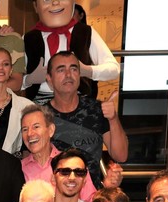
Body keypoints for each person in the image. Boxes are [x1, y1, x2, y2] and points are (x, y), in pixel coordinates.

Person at [44, 51, 128, 189]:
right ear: (49, 79)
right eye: (61, 70)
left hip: (93, 196)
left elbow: (121, 155)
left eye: (73, 69)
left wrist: (113, 118)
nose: (68, 74)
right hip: (54, 195)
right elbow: (31, 162)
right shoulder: (41, 116)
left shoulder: (96, 109)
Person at [21, 0, 118, 98]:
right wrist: (29, 79)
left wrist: (88, 71)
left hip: (78, 99)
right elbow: (14, 81)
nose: (55, 2)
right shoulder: (28, 38)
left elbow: (114, 69)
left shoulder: (85, 32)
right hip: (40, 100)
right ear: (35, 6)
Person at [19, 103, 97, 202]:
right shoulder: (19, 168)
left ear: (51, 130)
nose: (30, 134)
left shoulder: (72, 164)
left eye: (36, 127)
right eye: (25, 129)